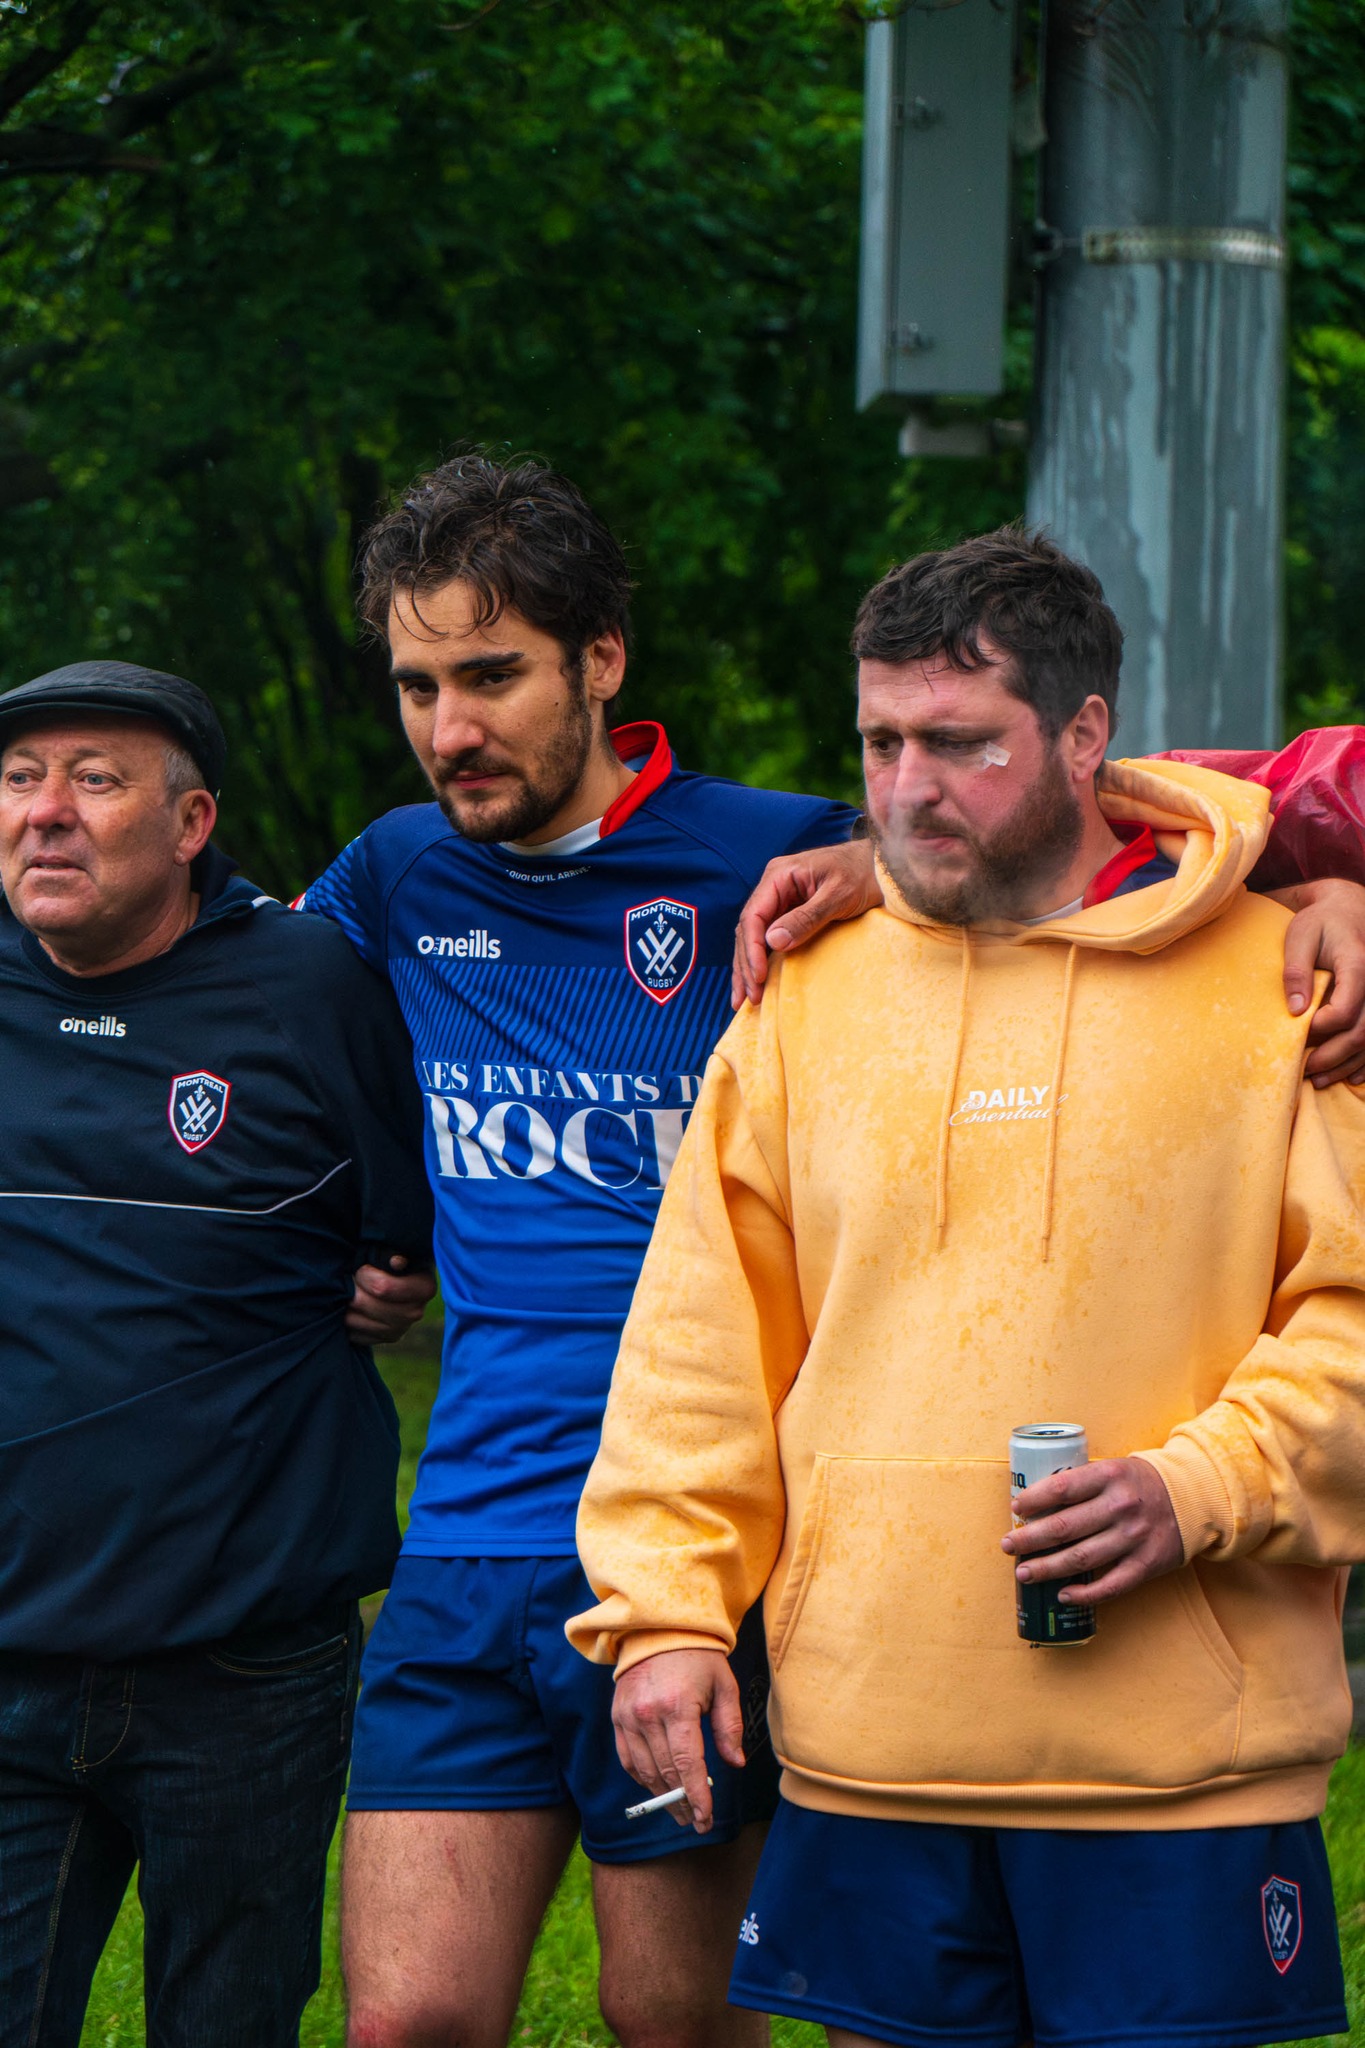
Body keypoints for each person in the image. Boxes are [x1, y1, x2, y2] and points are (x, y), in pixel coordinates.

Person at [302, 456, 1365, 2048]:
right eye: (879, 745)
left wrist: (1324, 865)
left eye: (960, 746)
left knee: (683, 2017)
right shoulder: (513, 905)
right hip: (680, 1641)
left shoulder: (1244, 976)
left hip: (1047, 1699)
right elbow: (694, 1346)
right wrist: (660, 1611)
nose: (910, 788)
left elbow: (1346, 1323)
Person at [0, 662, 433, 2048]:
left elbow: (414, 1227)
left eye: (95, 779)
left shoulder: (309, 985)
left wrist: (390, 1282)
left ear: (192, 825)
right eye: (20, 780)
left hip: (243, 1667)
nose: (45, 815)